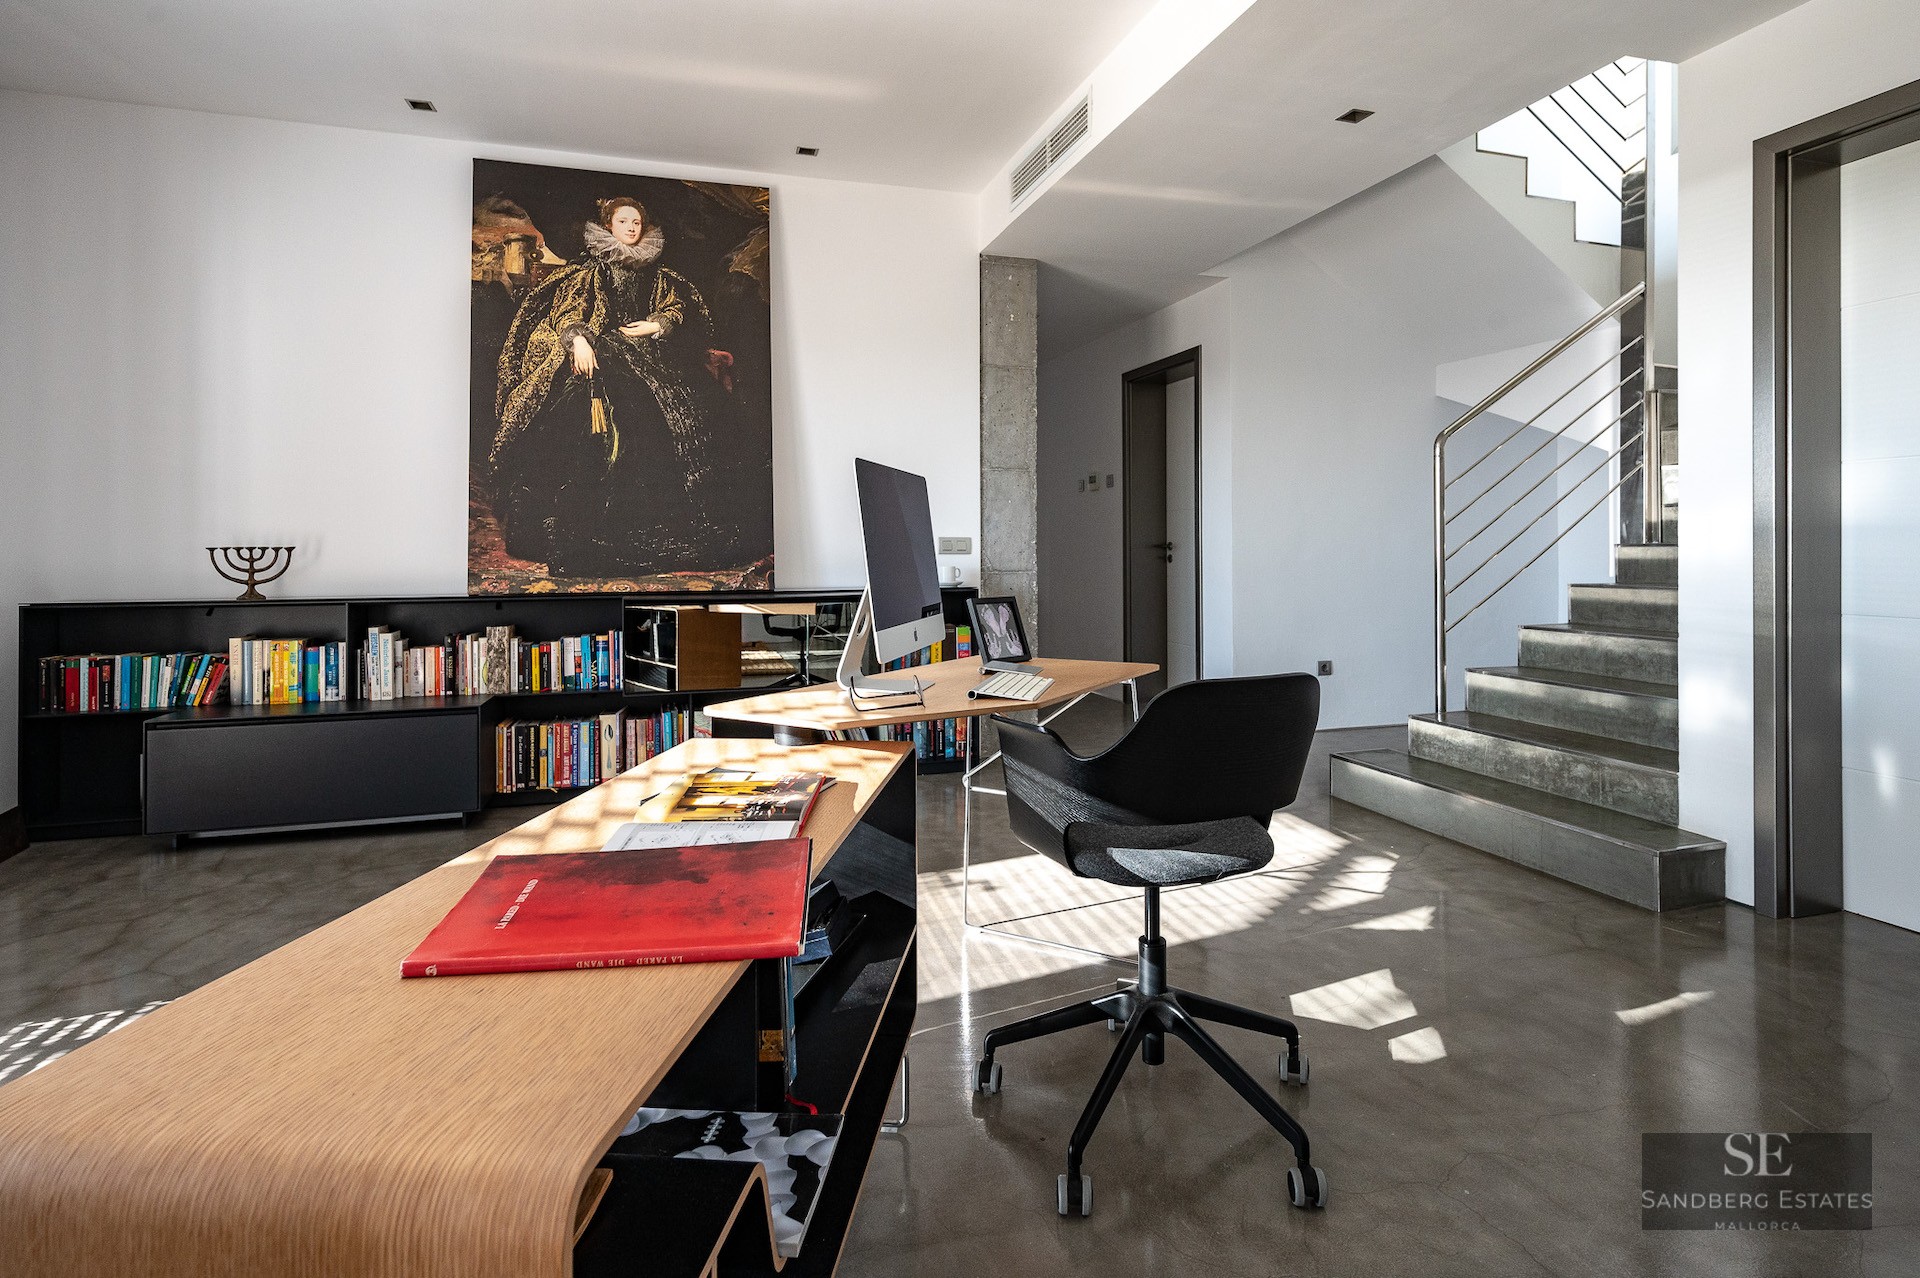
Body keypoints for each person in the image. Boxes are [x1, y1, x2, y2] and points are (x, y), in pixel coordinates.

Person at [490, 196, 732, 576]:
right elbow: (568, 311)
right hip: (601, 357)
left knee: (690, 413)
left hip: (650, 359)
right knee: (597, 420)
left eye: (637, 221)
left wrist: (657, 324)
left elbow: (675, 307)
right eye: (624, 221)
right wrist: (580, 340)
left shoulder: (658, 273)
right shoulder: (590, 271)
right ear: (609, 226)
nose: (632, 228)